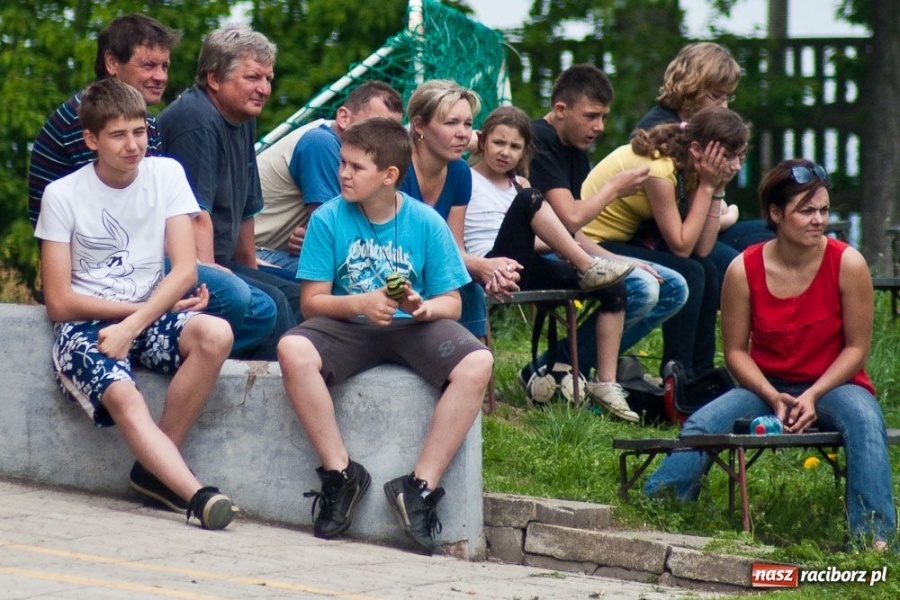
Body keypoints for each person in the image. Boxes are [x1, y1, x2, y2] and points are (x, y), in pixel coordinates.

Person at [644, 159, 895, 551]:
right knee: (704, 421)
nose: (818, 220)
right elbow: (734, 353)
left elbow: (856, 349)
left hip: (835, 382)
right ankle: (657, 508)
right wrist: (772, 394)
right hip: (767, 384)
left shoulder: (848, 263)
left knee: (866, 421)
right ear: (776, 214)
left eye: (823, 210)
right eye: (806, 211)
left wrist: (812, 395)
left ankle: (874, 540)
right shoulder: (743, 269)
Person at [277, 117, 492, 554]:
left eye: (356, 167)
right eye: (343, 163)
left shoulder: (426, 222)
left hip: (412, 328)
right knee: (291, 347)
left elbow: (451, 301)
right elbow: (312, 302)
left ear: (389, 176)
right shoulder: (327, 218)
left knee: (479, 361)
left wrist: (423, 307)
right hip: (347, 327)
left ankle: (419, 488)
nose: (343, 174)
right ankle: (340, 475)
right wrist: (359, 303)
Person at [34, 78, 236, 529]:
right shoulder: (62, 195)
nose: (133, 145)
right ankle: (197, 496)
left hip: (146, 315)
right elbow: (59, 303)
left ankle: (155, 469)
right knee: (125, 396)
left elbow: (185, 269)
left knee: (215, 333)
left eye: (140, 131)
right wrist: (135, 318)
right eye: (118, 135)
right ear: (91, 139)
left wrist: (140, 321)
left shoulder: (166, 174)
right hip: (87, 327)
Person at [27, 14, 278, 360]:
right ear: (112, 63)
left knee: (263, 304)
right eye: (148, 65)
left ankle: (179, 346)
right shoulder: (86, 118)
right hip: (96, 265)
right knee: (240, 298)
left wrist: (194, 265)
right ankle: (172, 348)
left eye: (164, 66)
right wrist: (186, 273)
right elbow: (112, 218)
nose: (160, 76)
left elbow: (167, 208)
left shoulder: (144, 122)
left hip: (141, 250)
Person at [465, 106, 637, 421]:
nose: (505, 152)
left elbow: (539, 238)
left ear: (524, 151)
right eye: (498, 143)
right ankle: (588, 265)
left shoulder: (519, 183)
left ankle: (606, 383)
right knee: (530, 201)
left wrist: (562, 246)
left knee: (614, 288)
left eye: (515, 146)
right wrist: (473, 141)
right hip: (488, 264)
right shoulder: (463, 176)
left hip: (524, 263)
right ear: (483, 141)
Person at [524, 64, 689, 381]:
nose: (599, 126)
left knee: (674, 287)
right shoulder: (540, 142)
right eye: (591, 116)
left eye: (604, 116)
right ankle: (554, 370)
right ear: (560, 109)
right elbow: (569, 218)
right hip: (533, 253)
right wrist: (614, 188)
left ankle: (559, 365)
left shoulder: (575, 149)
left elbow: (573, 232)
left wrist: (621, 260)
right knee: (640, 288)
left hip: (566, 248)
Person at [158, 25, 301, 350]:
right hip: (181, 263)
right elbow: (194, 215)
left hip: (226, 259)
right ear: (213, 79)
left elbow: (248, 207)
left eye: (268, 78)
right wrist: (216, 281)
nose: (264, 88)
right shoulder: (197, 120)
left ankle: (302, 375)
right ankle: (263, 386)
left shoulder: (244, 118)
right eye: (253, 77)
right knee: (274, 302)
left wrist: (251, 267)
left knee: (302, 290)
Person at [582, 107, 748, 378]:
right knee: (691, 273)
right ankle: (678, 373)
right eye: (727, 157)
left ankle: (700, 373)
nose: (736, 166)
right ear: (696, 149)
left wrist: (715, 188)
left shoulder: (692, 165)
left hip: (621, 239)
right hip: (590, 241)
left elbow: (702, 248)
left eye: (739, 157)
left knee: (706, 268)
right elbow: (681, 246)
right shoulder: (660, 169)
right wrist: (708, 186)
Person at [634, 42, 772, 257]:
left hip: (702, 226)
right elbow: (687, 214)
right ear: (690, 87)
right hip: (657, 238)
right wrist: (729, 216)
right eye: (715, 96)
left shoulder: (700, 126)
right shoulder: (660, 133)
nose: (723, 106)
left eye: (727, 97)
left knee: (774, 235)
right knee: (735, 264)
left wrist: (725, 211)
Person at [255, 81, 405, 277]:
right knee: (352, 276)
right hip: (255, 253)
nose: (382, 140)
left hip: (276, 251)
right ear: (343, 117)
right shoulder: (321, 143)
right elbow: (335, 236)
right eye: (373, 126)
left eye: (389, 132)